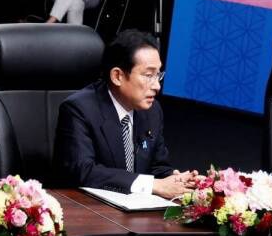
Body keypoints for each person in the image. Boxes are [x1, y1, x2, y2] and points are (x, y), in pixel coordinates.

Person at [55, 30, 195, 198]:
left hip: (135, 214)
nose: (157, 86)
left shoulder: (152, 111)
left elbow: (157, 167)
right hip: (91, 211)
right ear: (117, 76)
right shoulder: (79, 109)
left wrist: (176, 179)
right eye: (149, 75)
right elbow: (84, 171)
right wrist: (152, 185)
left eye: (158, 75)